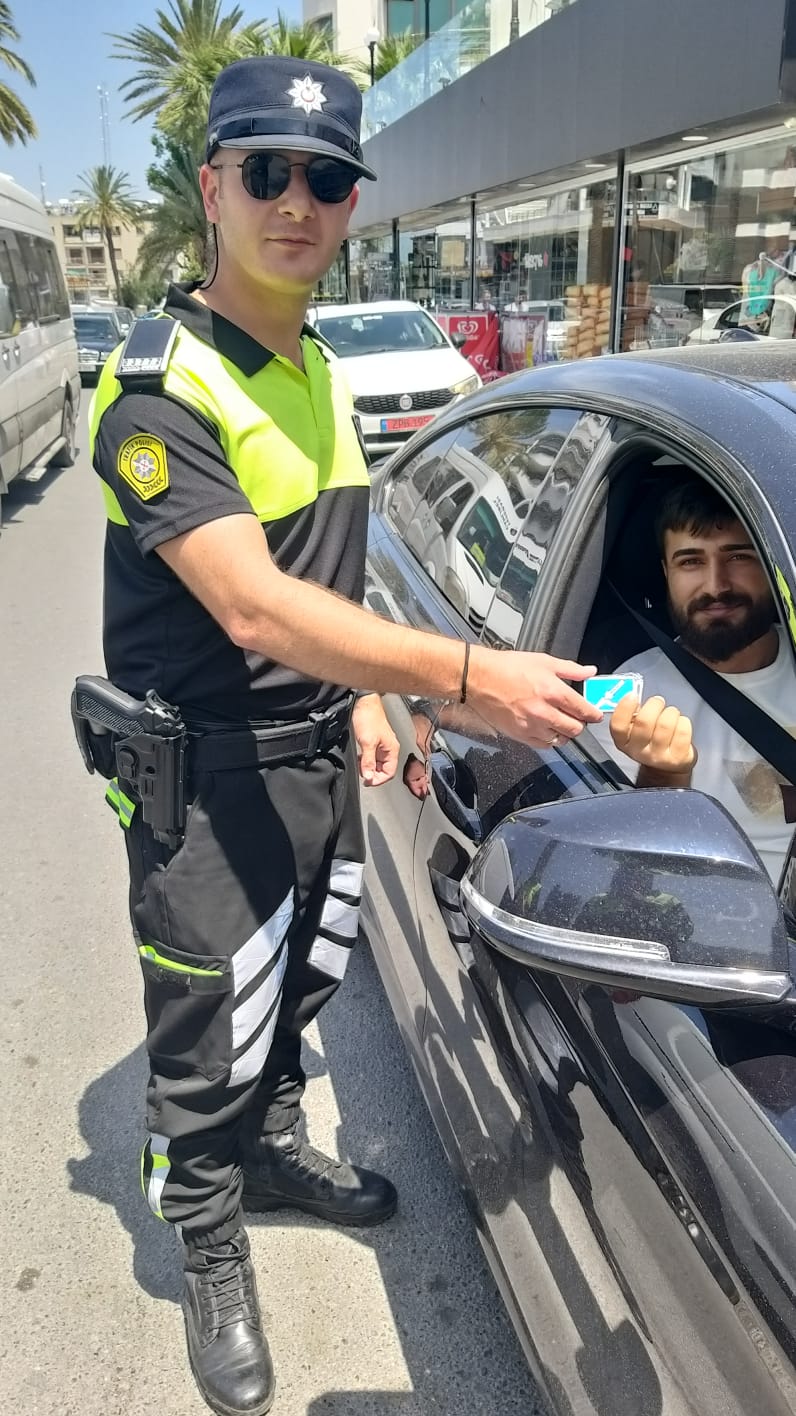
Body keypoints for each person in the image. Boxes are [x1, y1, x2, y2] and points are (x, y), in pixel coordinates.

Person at [86, 54, 601, 1416]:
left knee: (302, 982)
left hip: (324, 752)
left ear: (351, 204)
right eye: (266, 171)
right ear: (212, 188)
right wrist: (463, 676)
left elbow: (329, 576)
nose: (296, 202)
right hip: (207, 785)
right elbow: (254, 607)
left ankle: (271, 1151)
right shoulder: (158, 386)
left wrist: (372, 691)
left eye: (324, 179)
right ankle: (208, 1239)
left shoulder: (313, 363)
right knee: (206, 1027)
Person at [591, 478, 796, 884]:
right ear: (665, 572)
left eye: (738, 556)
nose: (716, 585)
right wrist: (663, 775)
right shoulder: (629, 696)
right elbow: (629, 870)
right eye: (691, 562)